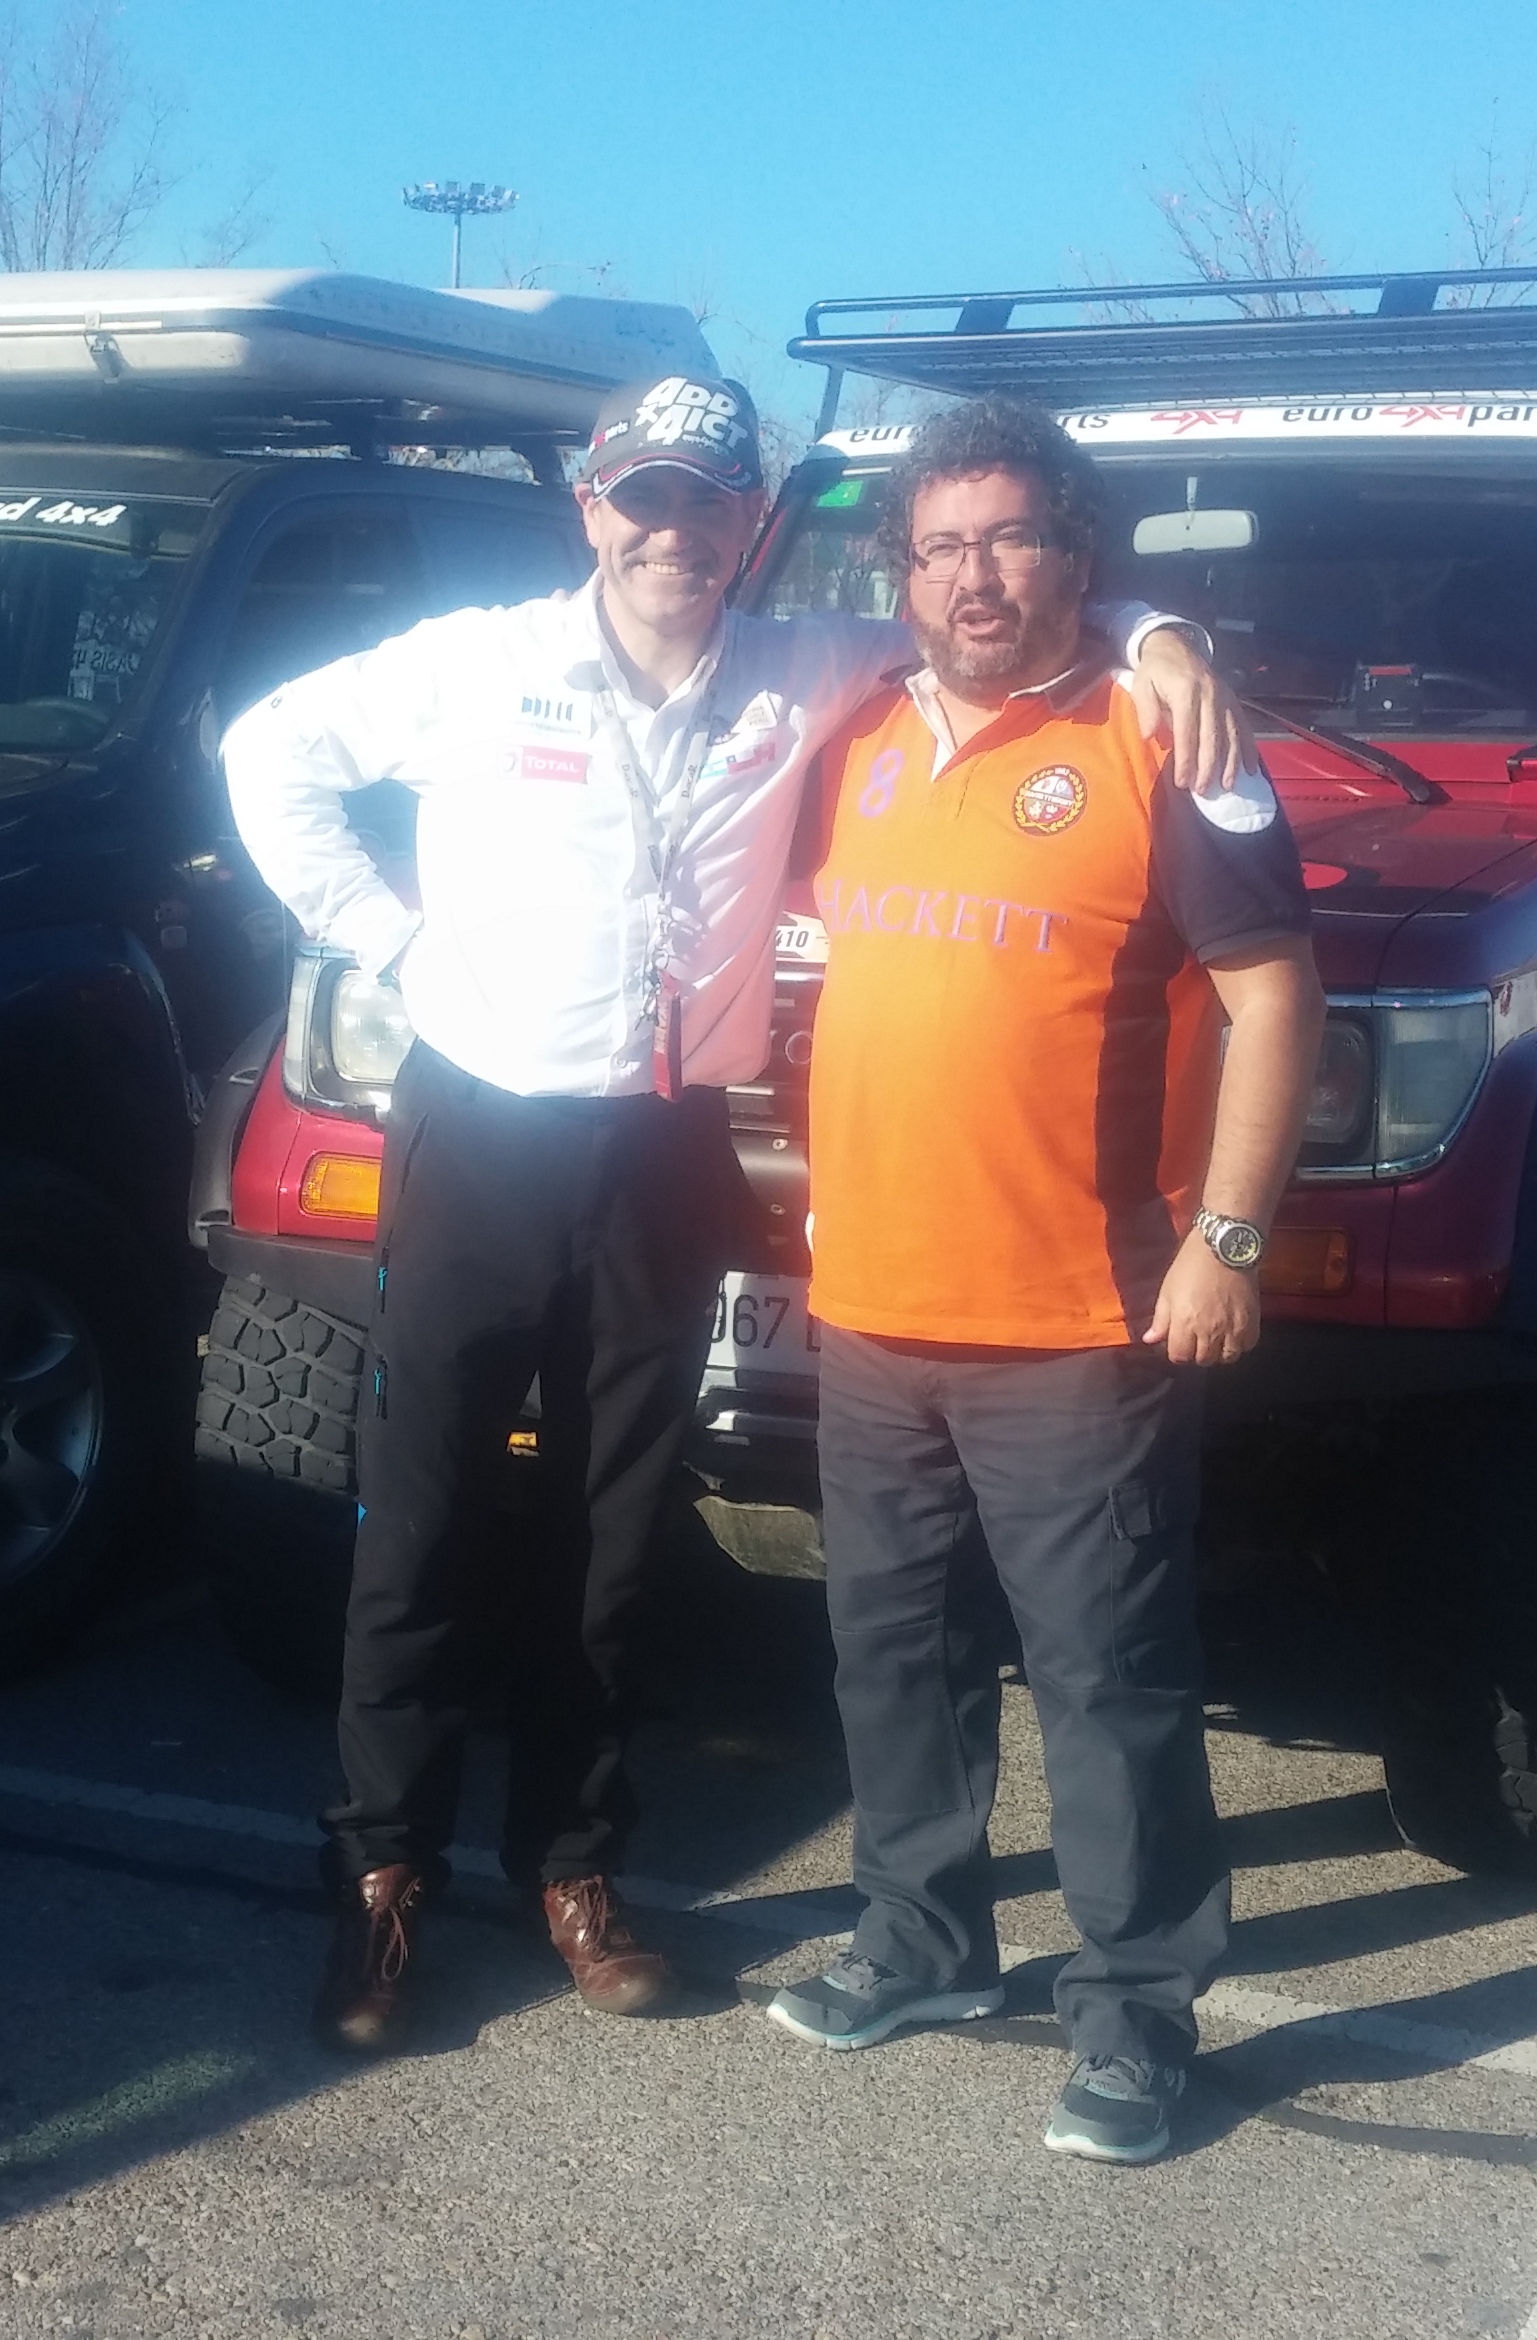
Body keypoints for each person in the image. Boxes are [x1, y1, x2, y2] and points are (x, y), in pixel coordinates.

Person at [225, 374, 1240, 2053]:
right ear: (593, 510)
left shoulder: (807, 668)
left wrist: (1159, 630)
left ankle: (572, 1870)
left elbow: (999, 612)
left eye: (704, 501)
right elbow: (269, 753)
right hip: (481, 1137)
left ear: (747, 519)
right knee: (423, 1523)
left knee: (616, 1533)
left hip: (661, 1153)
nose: (672, 531)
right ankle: (380, 1874)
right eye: (643, 498)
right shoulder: (478, 664)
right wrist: (390, 938)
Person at [757, 396, 1324, 2166]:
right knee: (890, 1655)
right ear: (902, 571)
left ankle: (1138, 2009)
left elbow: (1276, 997)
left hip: (1082, 1317)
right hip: (873, 1309)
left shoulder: (1167, 732)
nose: (975, 576)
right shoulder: (857, 730)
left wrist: (1231, 1238)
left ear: (1078, 551)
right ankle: (921, 1944)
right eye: (941, 546)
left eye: (1010, 538)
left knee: (1107, 1681)